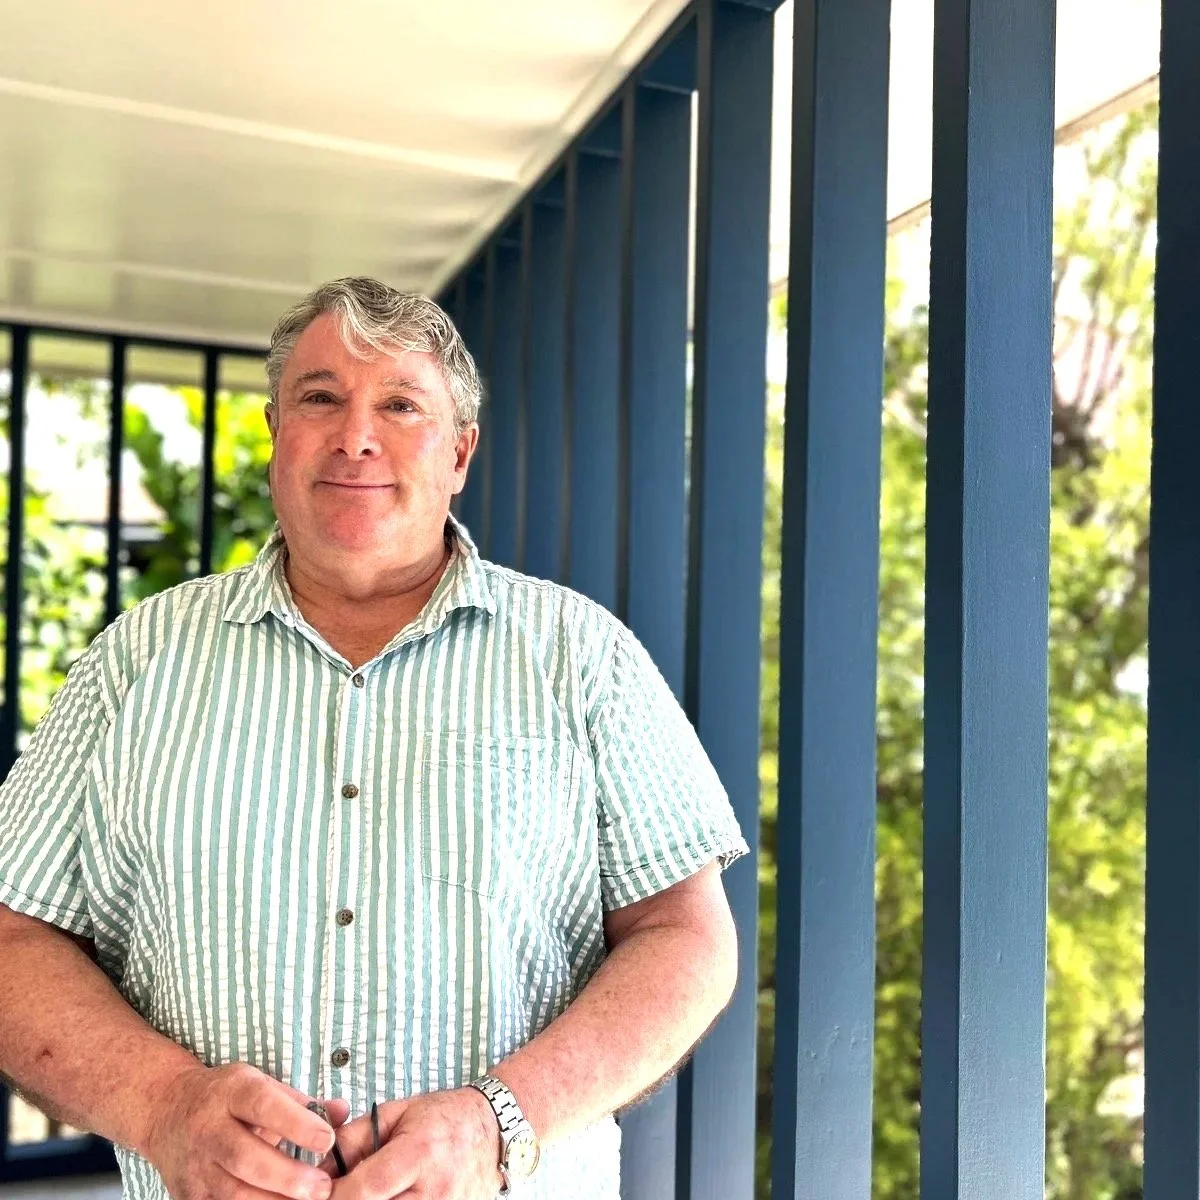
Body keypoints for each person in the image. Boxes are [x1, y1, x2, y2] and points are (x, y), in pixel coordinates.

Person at [0, 277, 747, 1200]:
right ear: (276, 433)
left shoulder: (583, 656)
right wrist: (164, 1106)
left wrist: (495, 1126)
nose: (356, 435)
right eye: (321, 397)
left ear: (461, 451)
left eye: (400, 404)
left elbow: (686, 937)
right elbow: (14, 936)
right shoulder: (133, 662)